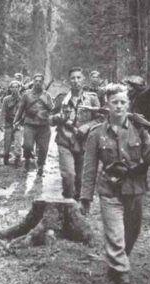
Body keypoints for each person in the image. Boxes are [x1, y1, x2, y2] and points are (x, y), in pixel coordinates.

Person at [80, 83, 150, 284]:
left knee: (131, 234)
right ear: (107, 104)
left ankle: (117, 262)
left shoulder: (139, 129)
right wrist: (85, 197)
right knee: (115, 235)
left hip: (135, 189)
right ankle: (123, 280)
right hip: (109, 191)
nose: (119, 106)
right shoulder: (96, 134)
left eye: (123, 102)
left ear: (128, 103)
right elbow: (89, 168)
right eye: (115, 102)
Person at [50, 67, 102, 200]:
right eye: (73, 78)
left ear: (83, 80)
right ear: (69, 80)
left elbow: (100, 119)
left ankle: (75, 205)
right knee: (69, 176)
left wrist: (86, 127)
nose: (76, 81)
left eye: (79, 77)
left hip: (84, 143)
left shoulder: (92, 98)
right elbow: (50, 120)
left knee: (80, 179)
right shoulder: (62, 99)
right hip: (65, 141)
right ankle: (67, 202)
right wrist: (58, 117)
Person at [13, 73, 53, 176]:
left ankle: (40, 167)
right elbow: (20, 109)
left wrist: (46, 103)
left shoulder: (47, 95)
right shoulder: (26, 94)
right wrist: (15, 121)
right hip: (30, 124)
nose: (38, 83)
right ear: (33, 82)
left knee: (43, 148)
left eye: (40, 81)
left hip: (44, 126)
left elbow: (52, 109)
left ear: (42, 82)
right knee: (27, 146)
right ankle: (27, 160)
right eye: (36, 81)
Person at [0, 80, 22, 167]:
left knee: (18, 142)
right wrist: (2, 123)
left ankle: (17, 159)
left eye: (16, 87)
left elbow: (25, 113)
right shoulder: (6, 99)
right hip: (8, 123)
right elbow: (3, 112)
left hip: (18, 124)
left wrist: (20, 122)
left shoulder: (23, 99)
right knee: (7, 142)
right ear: (10, 88)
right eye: (13, 87)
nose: (15, 89)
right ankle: (6, 156)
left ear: (19, 88)